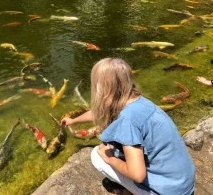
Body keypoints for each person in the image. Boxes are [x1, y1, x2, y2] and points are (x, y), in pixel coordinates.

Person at [61, 58, 195, 195]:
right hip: (184, 183)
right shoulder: (140, 102)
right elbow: (100, 112)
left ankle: (132, 191)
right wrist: (73, 121)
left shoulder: (127, 120)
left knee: (97, 154)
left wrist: (110, 159)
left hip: (169, 191)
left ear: (102, 88)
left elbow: (137, 175)